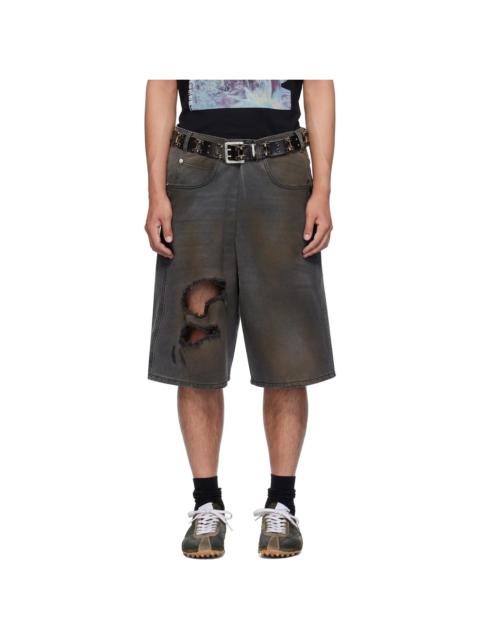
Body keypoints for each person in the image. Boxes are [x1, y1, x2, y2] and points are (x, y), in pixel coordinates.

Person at [144, 80, 336, 558]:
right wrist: (155, 191)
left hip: (281, 168)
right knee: (197, 343)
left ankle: (282, 504)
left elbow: (318, 84)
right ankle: (205, 504)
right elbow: (161, 85)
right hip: (196, 169)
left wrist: (323, 189)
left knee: (287, 350)